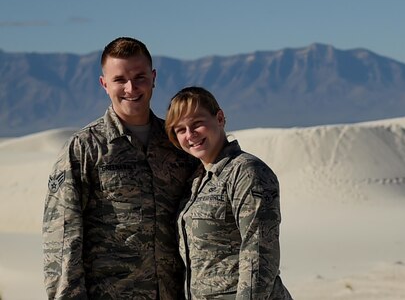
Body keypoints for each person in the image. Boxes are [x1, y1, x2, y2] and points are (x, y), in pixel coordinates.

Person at [43, 37, 197, 299]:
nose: (131, 88)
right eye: (119, 80)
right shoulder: (85, 149)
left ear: (153, 77)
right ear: (104, 84)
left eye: (139, 77)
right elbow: (62, 239)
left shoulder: (178, 144)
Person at [165, 86, 292, 299]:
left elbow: (260, 256)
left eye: (197, 124)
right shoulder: (196, 179)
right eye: (181, 129)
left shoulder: (246, 171)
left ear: (220, 118)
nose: (190, 135)